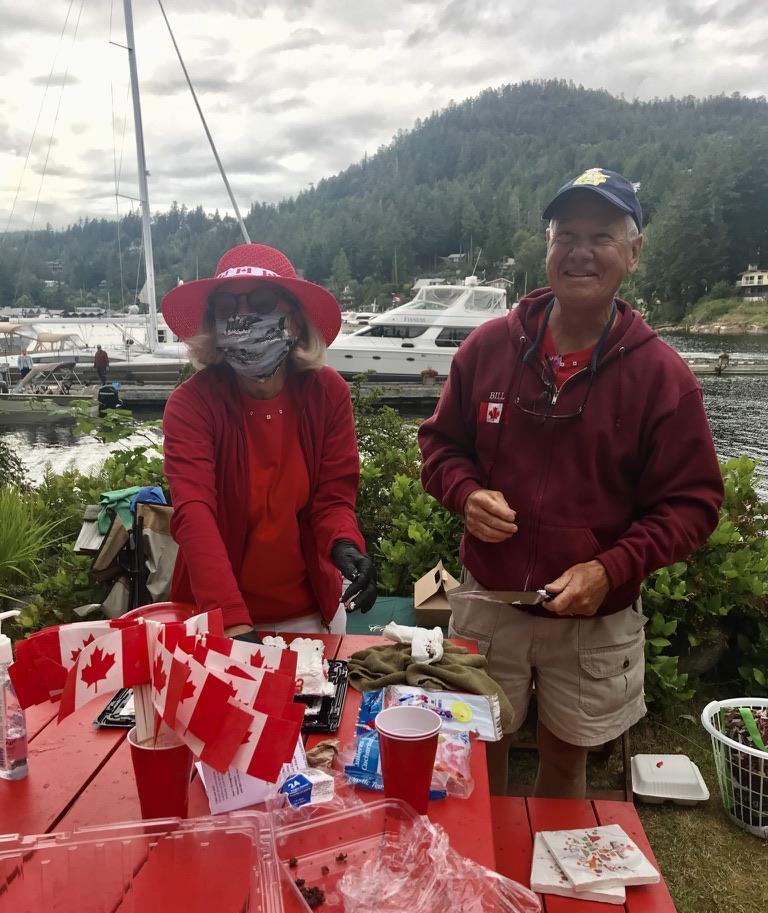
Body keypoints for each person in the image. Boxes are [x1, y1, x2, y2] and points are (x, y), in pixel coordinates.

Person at [418, 168, 724, 798]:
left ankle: (553, 888)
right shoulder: (486, 349)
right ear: (547, 247)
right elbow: (440, 445)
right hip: (491, 601)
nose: (581, 252)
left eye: (602, 236)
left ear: (633, 254)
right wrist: (466, 493)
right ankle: (487, 882)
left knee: (565, 763)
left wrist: (611, 569)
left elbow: (694, 504)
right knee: (480, 754)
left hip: (594, 619)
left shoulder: (663, 377)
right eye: (566, 235)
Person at [160, 242, 377, 640]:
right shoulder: (191, 404)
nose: (242, 318)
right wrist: (231, 620)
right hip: (216, 612)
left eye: (260, 301)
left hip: (311, 612)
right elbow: (194, 512)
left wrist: (344, 543)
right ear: (213, 324)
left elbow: (333, 498)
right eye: (227, 307)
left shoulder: (327, 393)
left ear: (295, 319)